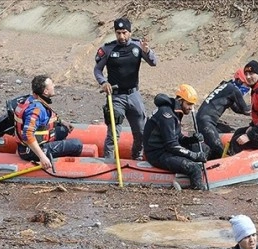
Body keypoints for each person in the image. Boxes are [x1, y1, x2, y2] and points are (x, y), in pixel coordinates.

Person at [94, 17, 157, 160]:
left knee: (141, 132)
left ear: (130, 32)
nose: (121, 36)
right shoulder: (108, 49)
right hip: (115, 96)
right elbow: (97, 70)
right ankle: (108, 162)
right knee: (113, 135)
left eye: (124, 32)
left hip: (134, 95)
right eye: (118, 33)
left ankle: (136, 157)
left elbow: (153, 62)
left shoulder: (138, 46)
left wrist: (147, 52)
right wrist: (103, 82)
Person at [143, 85, 208, 190]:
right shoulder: (167, 115)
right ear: (180, 100)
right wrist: (193, 156)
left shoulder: (175, 112)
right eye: (189, 104)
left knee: (204, 148)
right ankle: (198, 189)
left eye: (192, 105)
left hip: (167, 149)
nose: (191, 108)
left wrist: (192, 139)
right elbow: (171, 145)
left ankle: (201, 170)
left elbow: (178, 138)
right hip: (157, 154)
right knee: (194, 168)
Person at [14, 75, 83, 169]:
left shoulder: (34, 99)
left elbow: (47, 117)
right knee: (77, 145)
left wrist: (63, 122)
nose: (54, 86)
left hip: (36, 142)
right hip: (30, 151)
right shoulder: (36, 109)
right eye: (51, 85)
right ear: (45, 91)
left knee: (63, 130)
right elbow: (27, 134)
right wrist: (42, 157)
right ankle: (65, 165)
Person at [195, 69, 251, 159]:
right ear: (239, 81)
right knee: (218, 147)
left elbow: (236, 109)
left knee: (230, 132)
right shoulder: (234, 90)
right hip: (206, 121)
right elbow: (245, 110)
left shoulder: (227, 86)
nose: (248, 88)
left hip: (205, 119)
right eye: (247, 85)